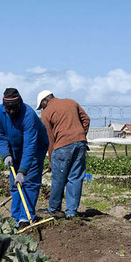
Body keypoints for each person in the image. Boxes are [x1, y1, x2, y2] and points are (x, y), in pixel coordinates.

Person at [0, 88, 49, 228]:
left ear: (20, 103)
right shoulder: (0, 112)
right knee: (15, 182)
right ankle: (15, 217)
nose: (11, 112)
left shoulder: (28, 114)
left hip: (36, 148)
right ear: (4, 106)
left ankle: (25, 218)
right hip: (15, 148)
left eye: (14, 108)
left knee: (30, 181)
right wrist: (5, 154)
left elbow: (30, 145)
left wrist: (23, 170)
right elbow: (1, 136)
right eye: (8, 109)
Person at [37, 90, 90, 218]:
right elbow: (86, 120)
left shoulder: (46, 113)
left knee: (58, 179)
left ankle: (54, 209)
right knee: (75, 177)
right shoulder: (71, 102)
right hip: (80, 143)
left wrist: (51, 160)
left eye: (41, 106)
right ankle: (71, 212)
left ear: (45, 101)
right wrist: (80, 135)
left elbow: (50, 139)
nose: (42, 109)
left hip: (62, 146)